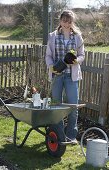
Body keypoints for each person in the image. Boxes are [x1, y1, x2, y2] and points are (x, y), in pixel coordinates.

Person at [45, 10, 85, 144]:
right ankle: (58, 135)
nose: (66, 24)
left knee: (73, 106)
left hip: (71, 76)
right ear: (60, 21)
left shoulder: (78, 37)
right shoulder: (53, 36)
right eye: (64, 21)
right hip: (58, 75)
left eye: (69, 21)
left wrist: (77, 61)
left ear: (72, 22)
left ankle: (71, 136)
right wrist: (51, 67)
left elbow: (82, 55)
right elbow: (48, 56)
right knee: (56, 106)